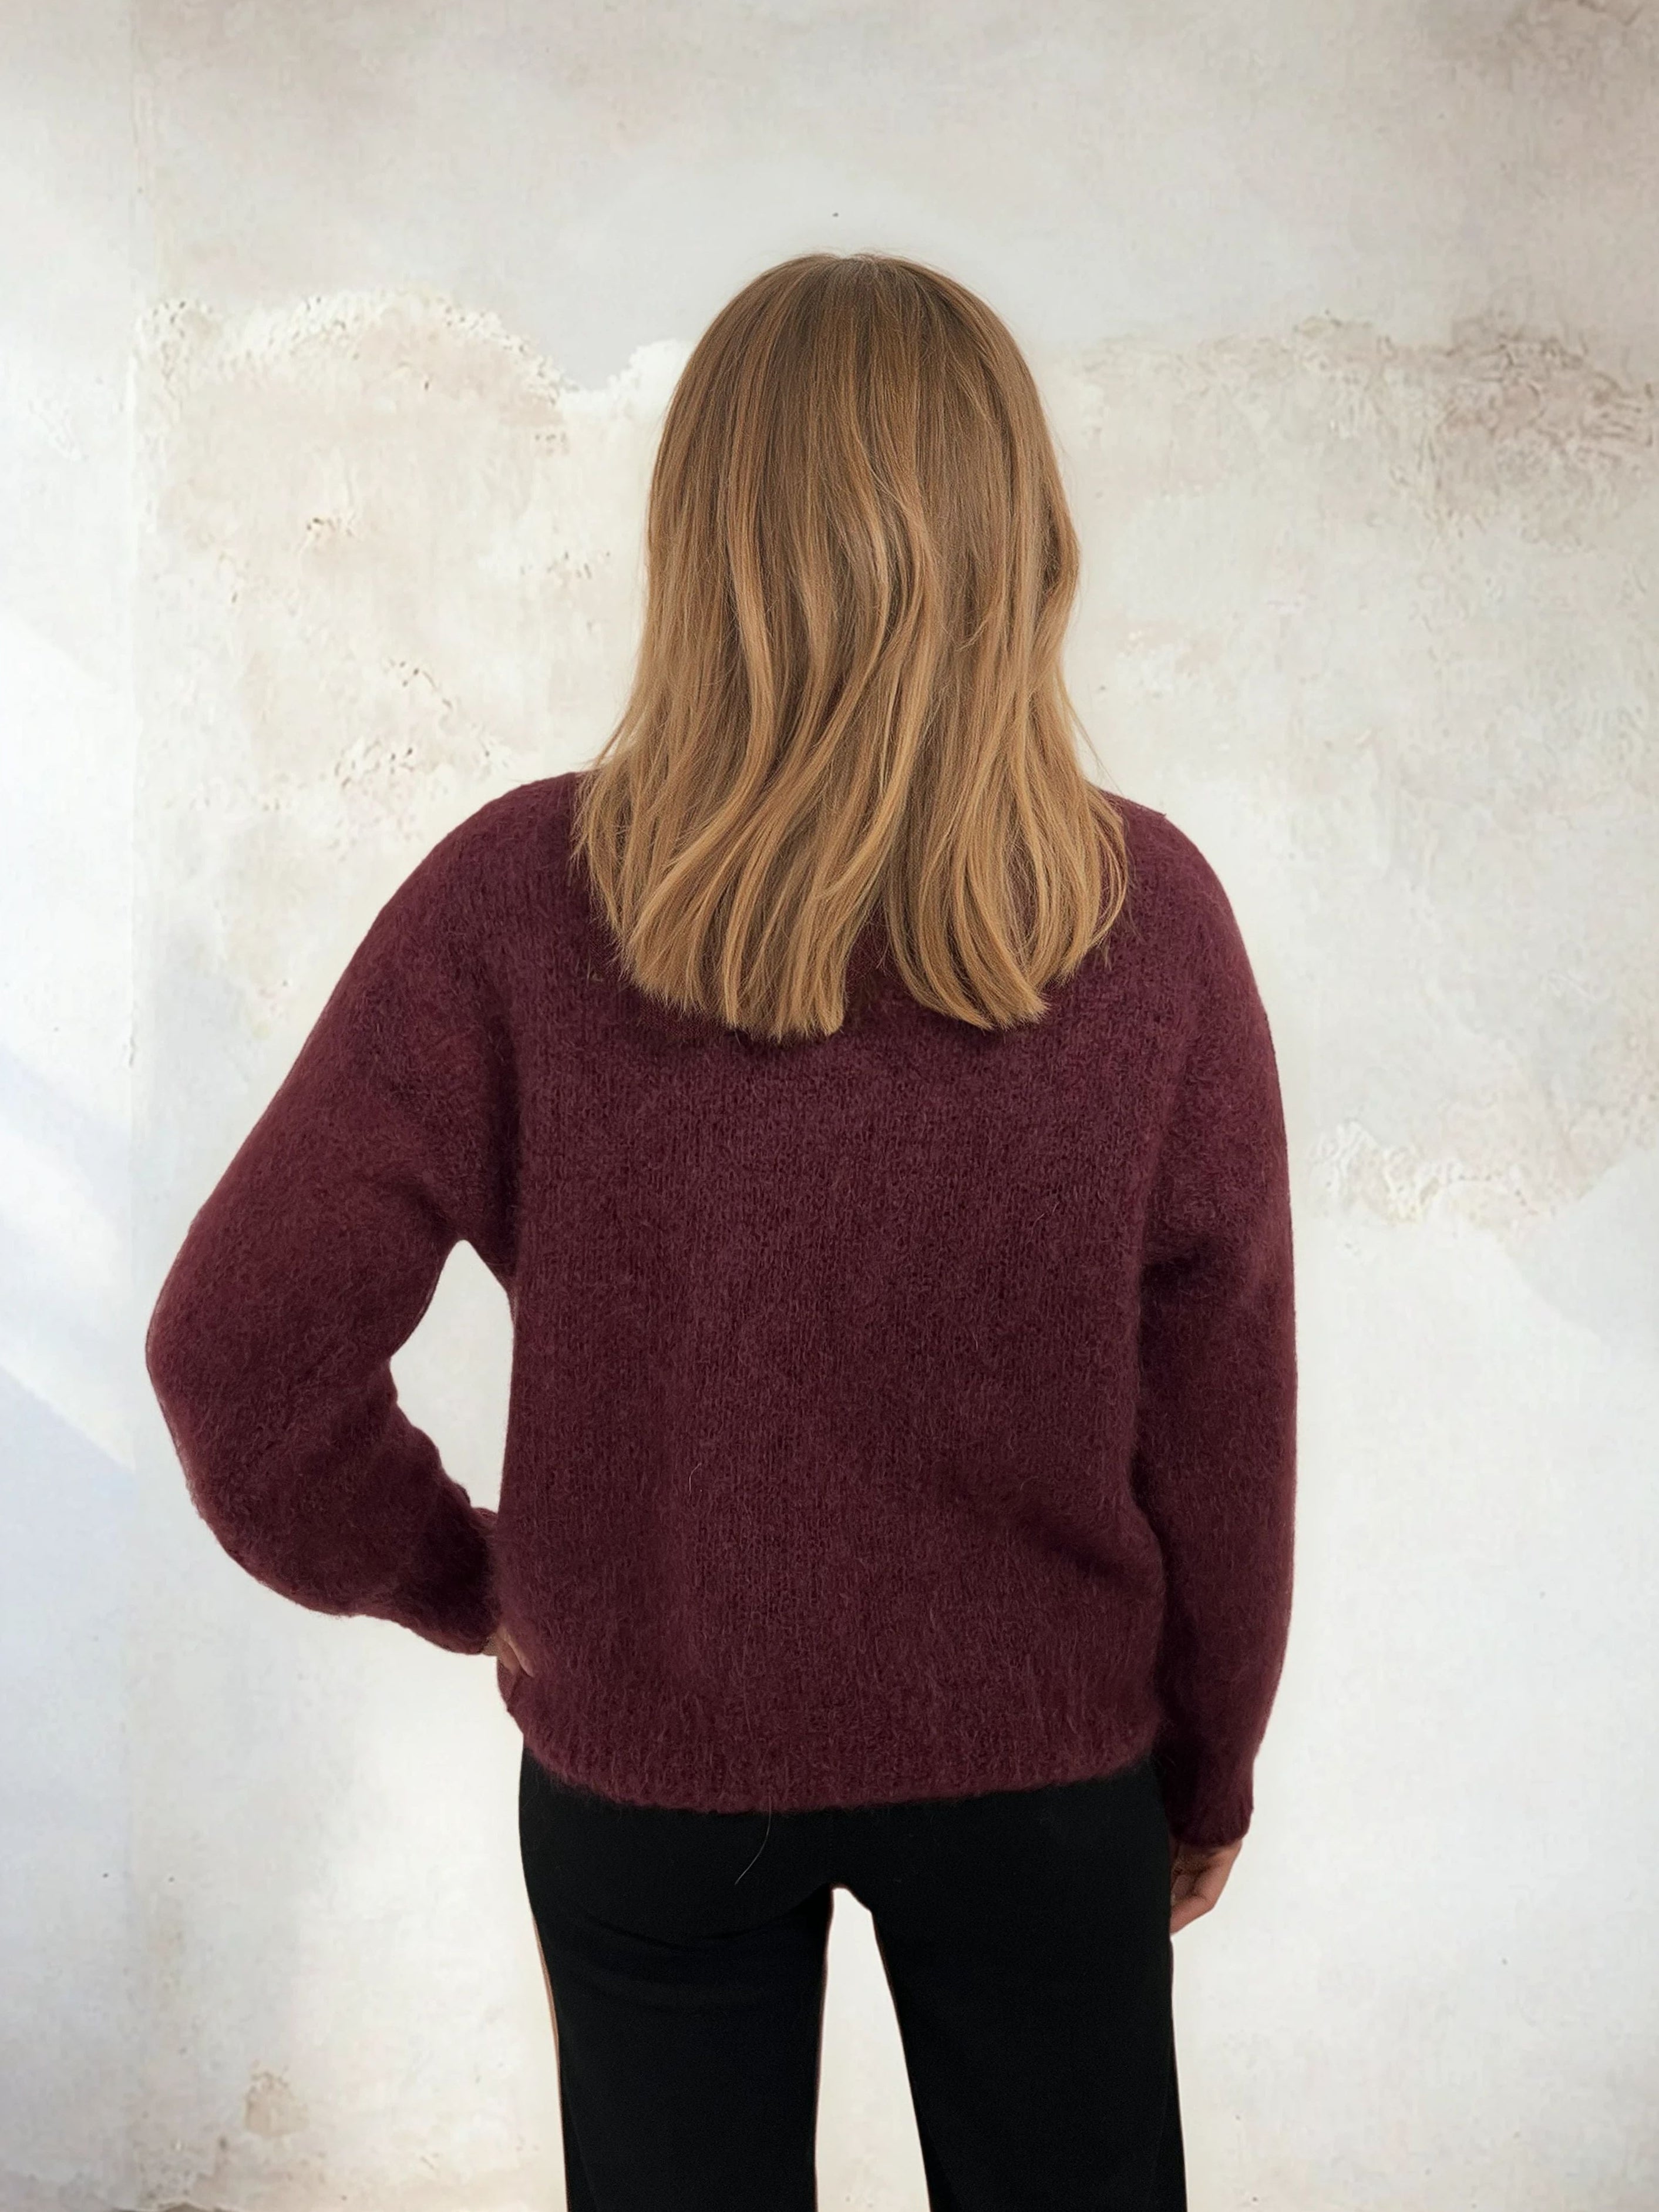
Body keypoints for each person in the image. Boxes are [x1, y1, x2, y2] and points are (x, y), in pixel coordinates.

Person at [145, 250, 1296, 2211]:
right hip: (1041, 1777)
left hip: (649, 1768)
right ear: (1018, 543)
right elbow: (1224, 1413)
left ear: (698, 544)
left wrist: (478, 1583)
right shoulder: (1145, 920)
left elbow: (236, 1356)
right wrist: (1204, 1765)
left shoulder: (517, 899)